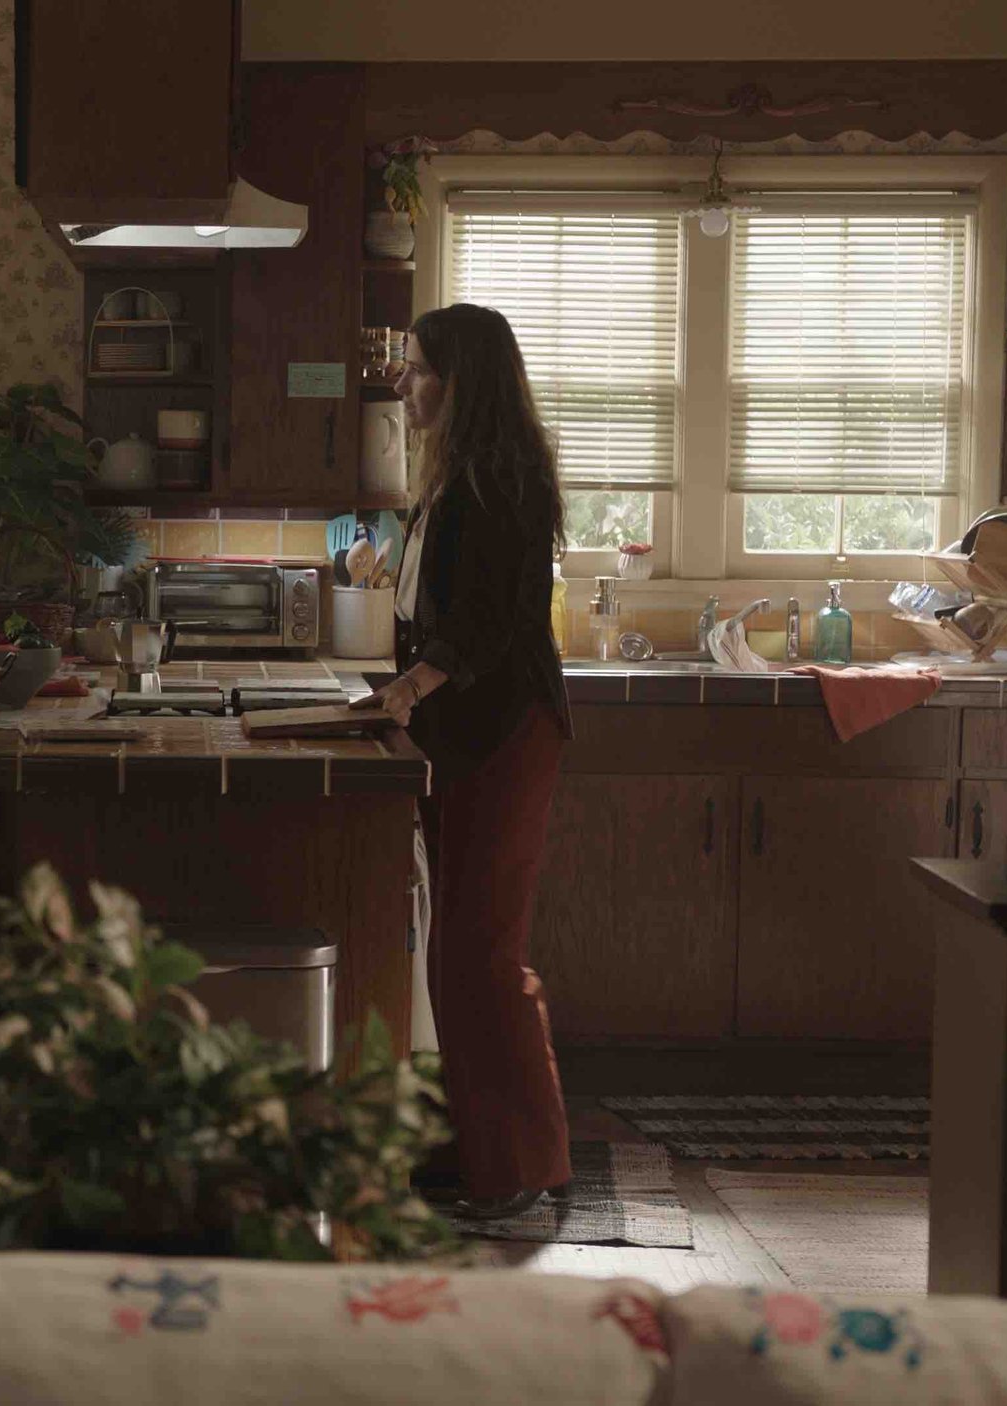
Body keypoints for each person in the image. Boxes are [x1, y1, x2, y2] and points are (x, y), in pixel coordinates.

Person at [354, 304, 576, 1219]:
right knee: (461, 954)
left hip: (503, 730)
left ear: (462, 379)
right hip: (466, 731)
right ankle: (498, 1156)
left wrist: (412, 685)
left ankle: (515, 1169)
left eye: (415, 369)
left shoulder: (502, 479)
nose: (401, 384)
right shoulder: (455, 478)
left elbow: (489, 621)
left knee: (480, 957)